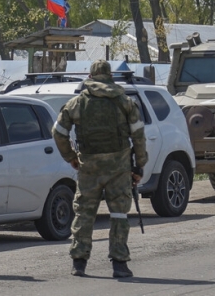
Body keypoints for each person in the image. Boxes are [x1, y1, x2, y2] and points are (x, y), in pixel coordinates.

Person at [52, 60, 148, 279]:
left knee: (84, 213)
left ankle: (79, 263)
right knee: (118, 214)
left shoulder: (76, 103)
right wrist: (139, 166)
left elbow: (58, 133)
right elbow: (139, 137)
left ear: (91, 76)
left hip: (89, 168)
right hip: (119, 168)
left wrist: (71, 157)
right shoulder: (126, 102)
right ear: (110, 76)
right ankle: (119, 264)